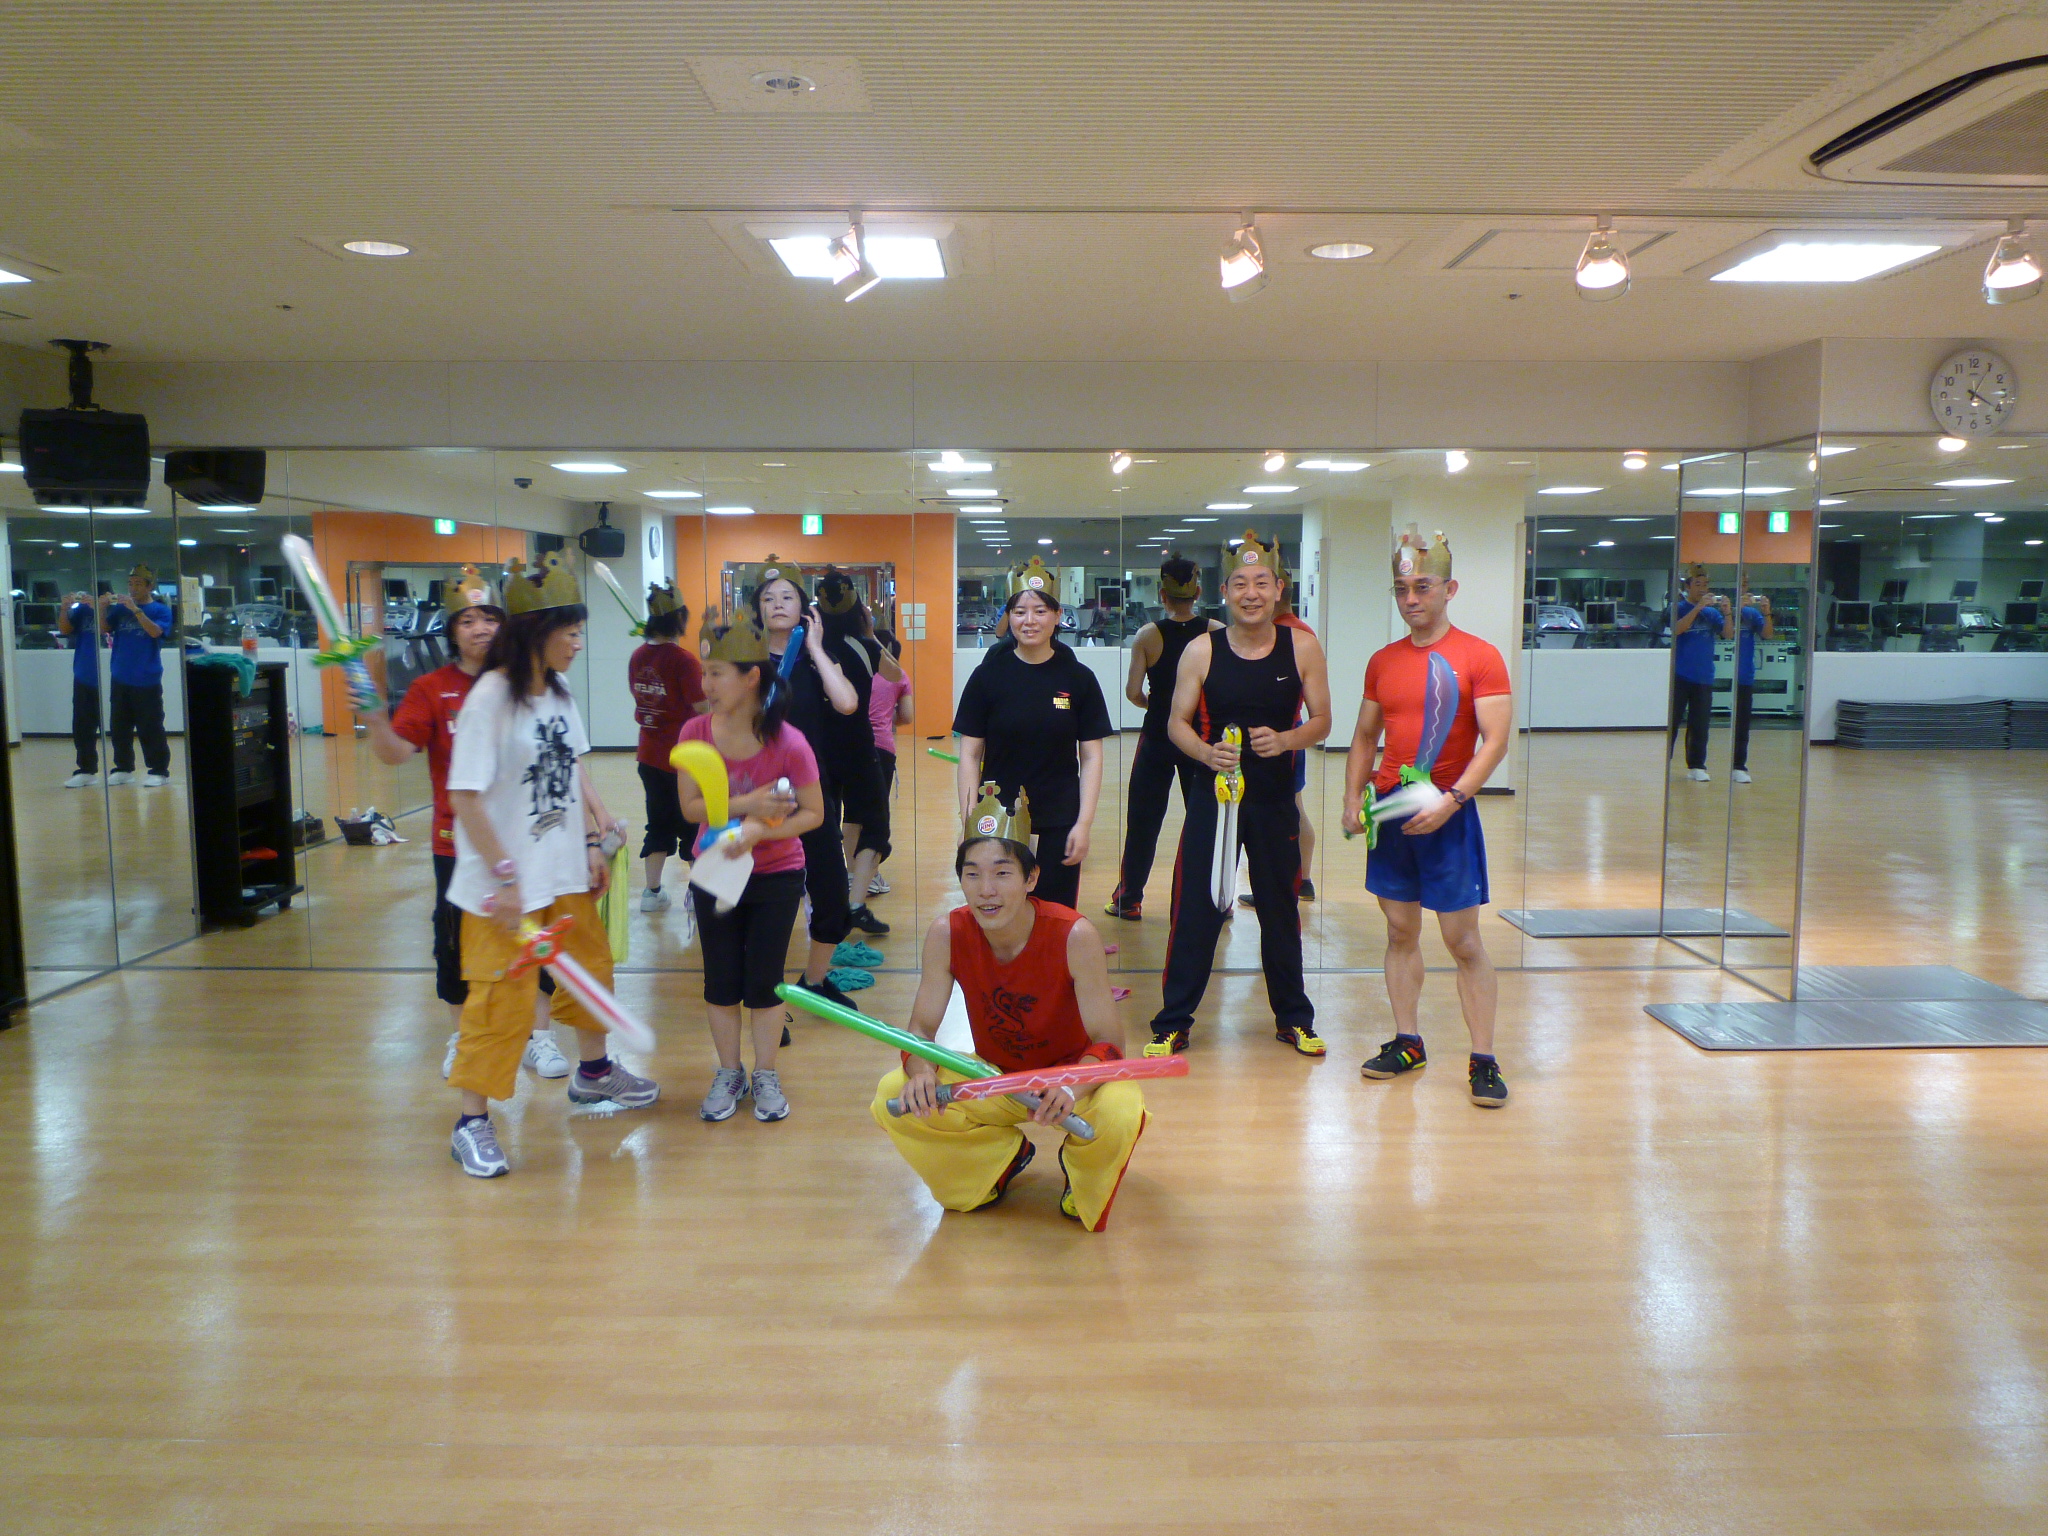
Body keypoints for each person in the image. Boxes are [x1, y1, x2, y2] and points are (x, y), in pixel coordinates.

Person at [443, 554, 655, 1179]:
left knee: (591, 970)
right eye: (571, 631)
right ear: (539, 632)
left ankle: (594, 1072)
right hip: (502, 888)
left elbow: (572, 769)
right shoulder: (489, 700)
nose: (578, 643)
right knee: (499, 1000)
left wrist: (591, 840)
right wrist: (505, 875)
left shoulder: (558, 691)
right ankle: (471, 1122)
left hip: (563, 872)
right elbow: (464, 797)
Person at [872, 785, 1148, 1231]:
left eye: (1002, 873)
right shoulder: (947, 933)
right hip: (995, 1077)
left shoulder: (1074, 936)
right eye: (972, 874)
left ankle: (1080, 1174)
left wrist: (1071, 1087)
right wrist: (921, 1073)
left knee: (1121, 1106)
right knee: (894, 1092)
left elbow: (1110, 1043)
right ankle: (997, 1163)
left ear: (1031, 878)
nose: (986, 891)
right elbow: (920, 1029)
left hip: (1069, 1081)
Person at [364, 568, 570, 1081]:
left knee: (536, 940)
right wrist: (373, 713)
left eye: (490, 618)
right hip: (458, 846)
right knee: (457, 946)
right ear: (452, 631)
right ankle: (463, 1037)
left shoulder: (533, 682)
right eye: (468, 620)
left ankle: (538, 1037)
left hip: (527, 841)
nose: (481, 629)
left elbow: (563, 757)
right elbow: (395, 753)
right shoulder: (432, 688)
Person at [1144, 531, 1331, 1058]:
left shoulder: (1302, 647)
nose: (1252, 593)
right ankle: (1172, 1022)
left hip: (1274, 802)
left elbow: (1322, 720)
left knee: (1280, 909)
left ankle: (1294, 1019)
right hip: (1214, 801)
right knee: (1197, 909)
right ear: (1224, 591)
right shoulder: (1202, 649)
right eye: (1241, 584)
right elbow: (1176, 724)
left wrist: (1287, 740)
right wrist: (1206, 754)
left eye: (1262, 583)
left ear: (1278, 589)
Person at [1344, 528, 1513, 1110]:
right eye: (1401, 589)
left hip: (1448, 812)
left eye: (1423, 587)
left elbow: (1495, 741)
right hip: (1393, 810)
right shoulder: (1383, 661)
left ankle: (1483, 1057)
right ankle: (1407, 1041)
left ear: (1449, 589)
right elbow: (1364, 736)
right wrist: (1352, 799)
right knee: (1399, 931)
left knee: (1462, 940)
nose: (1411, 599)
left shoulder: (1479, 656)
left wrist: (1453, 801)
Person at [673, 608, 825, 1124]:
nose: (706, 684)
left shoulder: (789, 742)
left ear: (751, 677)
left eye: (717, 673)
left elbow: (813, 813)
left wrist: (763, 831)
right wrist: (749, 805)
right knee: (720, 979)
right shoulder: (694, 732)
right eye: (705, 672)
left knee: (764, 981)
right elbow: (691, 807)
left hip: (777, 875)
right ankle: (728, 1071)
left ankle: (765, 1072)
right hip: (714, 872)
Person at [952, 558, 1112, 913]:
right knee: (1001, 911)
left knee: (1055, 914)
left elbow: (1092, 756)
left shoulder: (1078, 679)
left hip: (1059, 816)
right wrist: (969, 820)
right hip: (998, 815)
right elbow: (970, 755)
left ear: (1057, 616)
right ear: (1009, 617)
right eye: (1020, 611)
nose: (1030, 621)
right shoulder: (987, 677)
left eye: (1040, 611)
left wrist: (1083, 824)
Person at [752, 557, 871, 1006]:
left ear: (803, 607)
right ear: (757, 609)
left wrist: (817, 648)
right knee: (765, 901)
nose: (777, 604)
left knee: (832, 895)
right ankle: (763, 997)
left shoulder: (817, 658)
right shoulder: (745, 661)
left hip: (811, 794)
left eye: (787, 596)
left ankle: (815, 981)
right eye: (768, 598)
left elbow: (847, 704)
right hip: (757, 795)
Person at [1105, 555, 1217, 921]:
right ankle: (1215, 899)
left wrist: (1156, 704)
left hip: (1158, 736)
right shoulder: (1216, 632)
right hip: (1200, 738)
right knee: (1204, 822)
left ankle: (1129, 899)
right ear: (1197, 593)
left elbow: (1132, 692)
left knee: (1143, 822)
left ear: (1161, 594)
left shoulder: (1148, 635)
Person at [815, 571, 890, 939]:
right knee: (873, 824)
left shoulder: (810, 650)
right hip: (857, 748)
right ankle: (855, 904)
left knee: (823, 827)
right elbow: (896, 673)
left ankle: (830, 904)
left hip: (817, 750)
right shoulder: (864, 647)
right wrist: (871, 634)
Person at [627, 584, 705, 911]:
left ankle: (652, 893)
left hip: (648, 755)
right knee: (693, 824)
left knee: (657, 822)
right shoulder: (684, 660)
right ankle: (699, 894)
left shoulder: (637, 656)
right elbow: (703, 707)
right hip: (683, 758)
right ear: (679, 619)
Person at [852, 622, 912, 907]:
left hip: (851, 746)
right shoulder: (899, 677)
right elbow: (907, 717)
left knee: (852, 814)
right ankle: (870, 876)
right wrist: (887, 717)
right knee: (875, 817)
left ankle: (852, 875)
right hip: (882, 750)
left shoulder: (854, 669)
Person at [101, 563, 172, 787]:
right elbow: (105, 628)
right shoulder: (119, 610)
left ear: (149, 587)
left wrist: (136, 610)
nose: (133, 588)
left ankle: (159, 770)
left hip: (147, 677)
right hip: (120, 676)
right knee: (119, 727)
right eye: (130, 584)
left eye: (138, 584)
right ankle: (123, 768)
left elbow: (155, 632)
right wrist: (101, 608)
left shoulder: (160, 610)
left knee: (150, 726)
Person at [1668, 563, 1727, 782]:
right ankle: (1665, 762)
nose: (1703, 588)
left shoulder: (1712, 614)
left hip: (1704, 676)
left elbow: (1728, 633)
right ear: (1688, 586)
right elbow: (1677, 629)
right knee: (1672, 722)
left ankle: (1697, 765)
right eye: (1698, 584)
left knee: (1700, 724)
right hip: (1680, 675)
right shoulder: (1679, 607)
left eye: (1705, 585)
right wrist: (1697, 608)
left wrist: (1727, 613)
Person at [57, 590, 100, 787]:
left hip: (116, 673)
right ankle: (87, 769)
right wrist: (64, 608)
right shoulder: (82, 610)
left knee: (122, 726)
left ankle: (124, 769)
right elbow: (65, 630)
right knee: (83, 725)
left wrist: (100, 606)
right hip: (85, 673)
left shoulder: (117, 608)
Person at [1730, 591, 1773, 784]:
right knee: (1699, 724)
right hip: (1712, 675)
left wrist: (1766, 612)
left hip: (1745, 675)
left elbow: (1767, 634)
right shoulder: (1719, 608)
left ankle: (1739, 766)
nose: (1745, 592)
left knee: (1742, 725)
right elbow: (1726, 633)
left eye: (1747, 586)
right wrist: (1735, 610)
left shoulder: (1752, 614)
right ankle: (1697, 765)